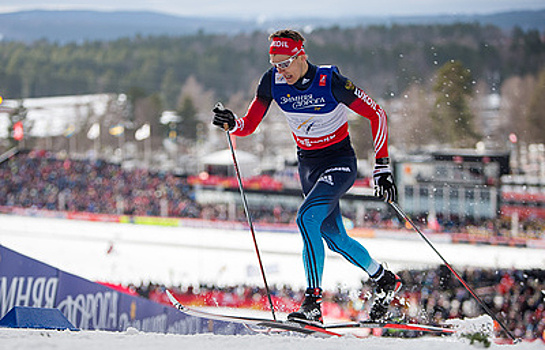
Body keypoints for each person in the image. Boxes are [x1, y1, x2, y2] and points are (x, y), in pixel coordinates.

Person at [212, 29, 401, 324]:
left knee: (306, 219)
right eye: (276, 64)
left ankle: (313, 303)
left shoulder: (331, 82)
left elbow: (377, 114)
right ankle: (384, 279)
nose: (281, 70)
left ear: (301, 56)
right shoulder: (271, 81)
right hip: (308, 166)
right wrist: (231, 123)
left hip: (338, 162)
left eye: (286, 63)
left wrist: (382, 168)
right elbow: (248, 125)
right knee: (335, 238)